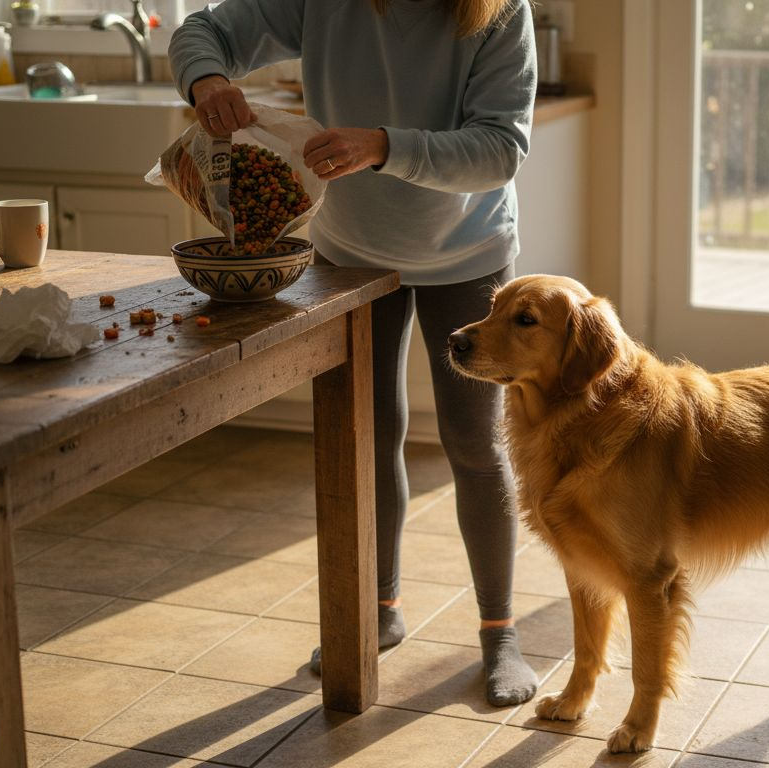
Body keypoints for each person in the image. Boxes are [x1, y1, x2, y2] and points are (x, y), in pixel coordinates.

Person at [169, 0, 539, 706]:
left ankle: (500, 633)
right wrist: (207, 81)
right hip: (347, 251)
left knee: (472, 442)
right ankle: (377, 612)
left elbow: (500, 148)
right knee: (366, 438)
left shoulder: (498, 10)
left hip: (466, 250)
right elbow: (203, 30)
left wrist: (384, 146)